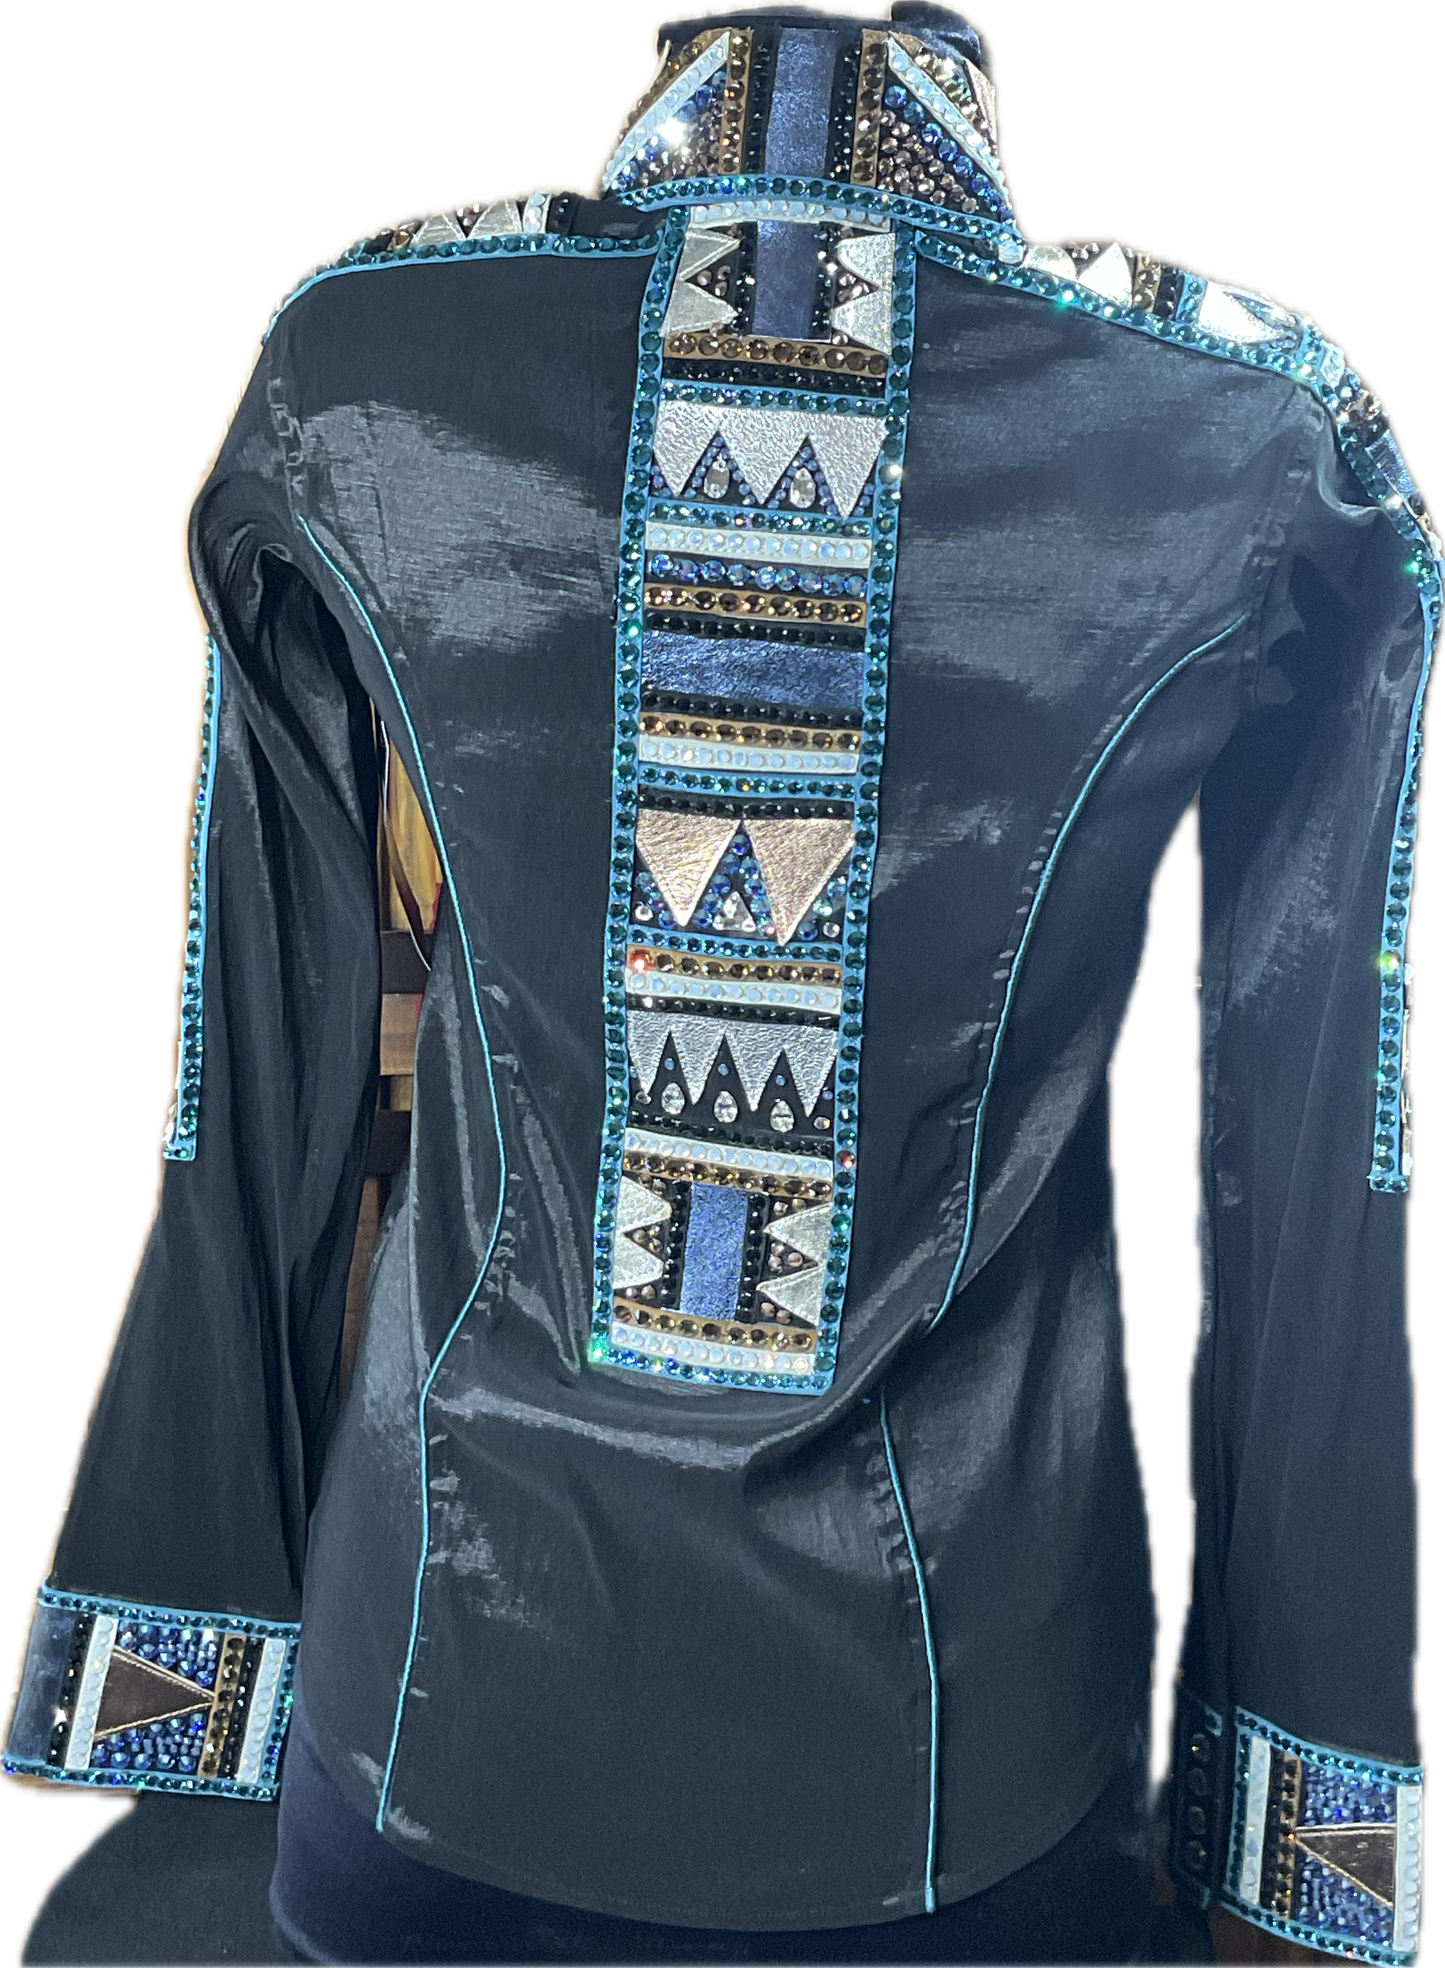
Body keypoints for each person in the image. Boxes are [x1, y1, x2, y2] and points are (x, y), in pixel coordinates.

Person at [5, 4, 1430, 1964]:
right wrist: (1293, 1780)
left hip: (432, 1706)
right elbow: (1310, 1164)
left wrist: (197, 1628)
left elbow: (254, 1055)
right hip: (968, 1751)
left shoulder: (365, 354)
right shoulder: (1244, 423)